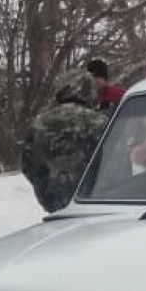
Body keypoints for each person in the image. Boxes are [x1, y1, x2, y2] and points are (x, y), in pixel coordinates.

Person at [21, 70, 110, 213]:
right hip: (96, 202)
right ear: (89, 92)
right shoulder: (99, 122)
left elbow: (28, 165)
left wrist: (46, 193)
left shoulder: (39, 123)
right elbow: (117, 163)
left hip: (56, 204)